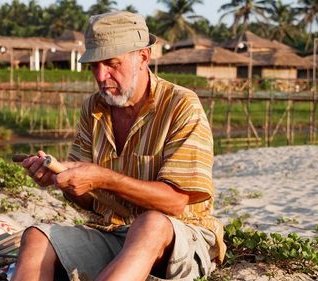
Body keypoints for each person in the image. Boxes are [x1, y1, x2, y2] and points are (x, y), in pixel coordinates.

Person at [12, 11, 226, 281]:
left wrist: (104, 178)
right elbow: (90, 200)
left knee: (150, 223)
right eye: (94, 66)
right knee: (36, 237)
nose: (101, 76)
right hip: (113, 234)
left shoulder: (181, 105)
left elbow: (175, 202)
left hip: (179, 234)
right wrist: (62, 180)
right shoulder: (93, 108)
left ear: (143, 57)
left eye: (111, 63)